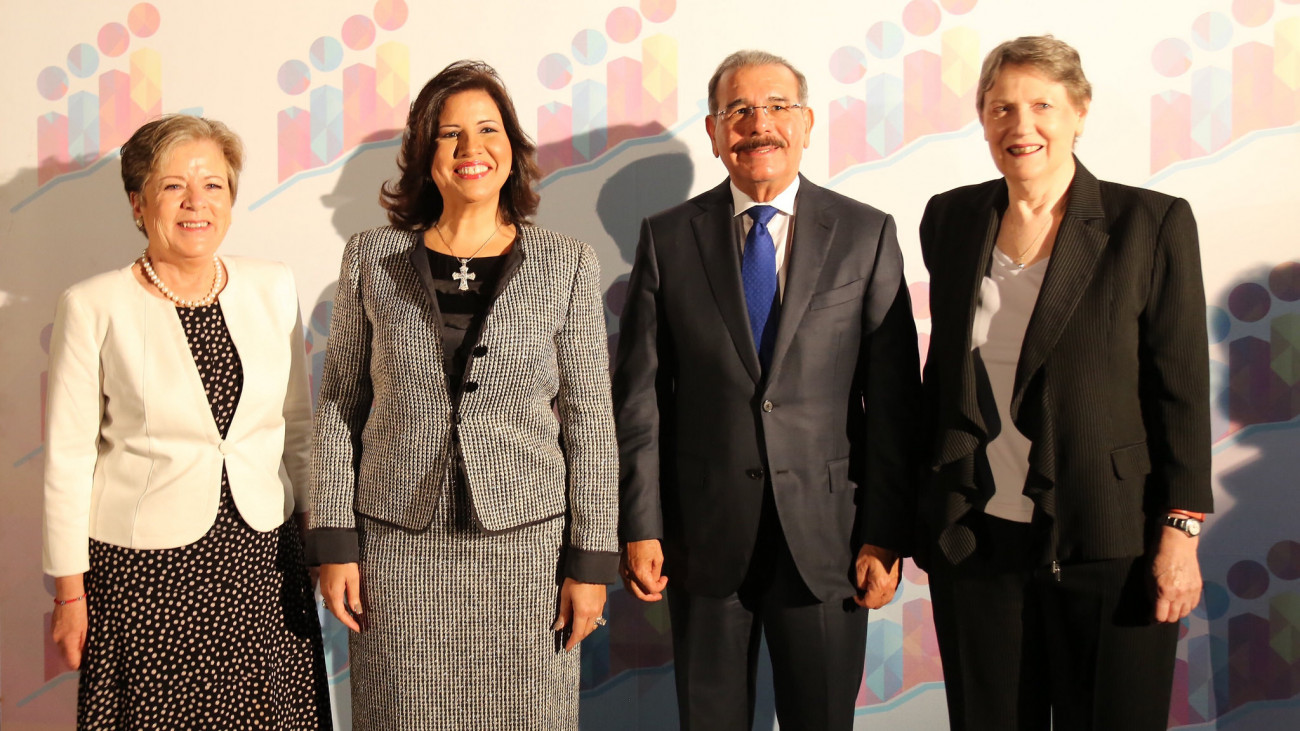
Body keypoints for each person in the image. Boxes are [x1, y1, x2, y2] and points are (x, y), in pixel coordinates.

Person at [614, 50, 921, 730]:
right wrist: (640, 525)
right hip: (701, 541)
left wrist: (884, 534)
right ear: (715, 131)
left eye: (778, 106)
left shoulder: (867, 235)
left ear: (808, 122)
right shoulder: (667, 239)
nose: (760, 124)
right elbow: (638, 401)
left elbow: (895, 405)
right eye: (739, 110)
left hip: (830, 542)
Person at [308, 60, 618, 730]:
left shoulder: (569, 263)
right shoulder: (371, 257)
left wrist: (590, 560)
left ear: (512, 146)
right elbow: (338, 405)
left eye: (487, 129)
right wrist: (334, 540)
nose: (470, 149)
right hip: (395, 549)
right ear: (426, 156)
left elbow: (592, 421)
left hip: (527, 550)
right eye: (449, 135)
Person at [917, 35, 1213, 731]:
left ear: (1080, 111)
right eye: (1001, 108)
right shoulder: (951, 219)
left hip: (1112, 538)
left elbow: (1182, 389)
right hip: (980, 538)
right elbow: (941, 380)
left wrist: (1180, 529)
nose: (1021, 126)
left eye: (1041, 105)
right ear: (983, 120)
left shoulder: (1150, 221)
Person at [42, 114, 331, 729]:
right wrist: (70, 595)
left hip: (261, 558)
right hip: (145, 572)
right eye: (174, 186)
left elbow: (298, 429)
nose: (196, 203)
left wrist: (321, 539)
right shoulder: (92, 305)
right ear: (137, 204)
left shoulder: (272, 285)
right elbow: (69, 460)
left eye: (214, 185)